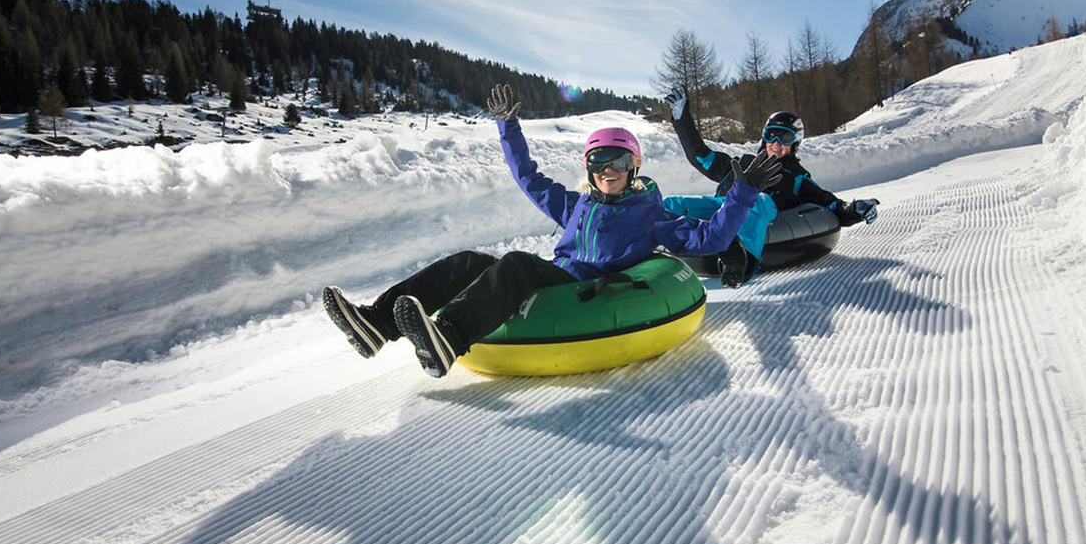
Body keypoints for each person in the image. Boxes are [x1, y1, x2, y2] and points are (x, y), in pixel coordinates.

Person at [322, 84, 782, 378]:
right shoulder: (576, 204)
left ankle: (449, 339)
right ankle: (376, 324)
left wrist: (741, 194)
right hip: (557, 274)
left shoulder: (649, 212)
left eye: (619, 163)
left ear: (633, 167)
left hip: (590, 287)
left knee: (518, 264)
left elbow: (710, 241)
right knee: (468, 261)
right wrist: (508, 127)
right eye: (599, 163)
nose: (608, 171)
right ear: (589, 166)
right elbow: (529, 178)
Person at [660, 90, 877, 288]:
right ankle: (646, 246)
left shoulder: (796, 177)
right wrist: (682, 119)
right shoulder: (741, 163)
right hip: (724, 207)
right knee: (670, 203)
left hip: (762, 207)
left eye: (784, 137)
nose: (775, 142)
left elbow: (828, 202)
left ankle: (740, 259)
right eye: (770, 135)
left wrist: (854, 209)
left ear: (795, 142)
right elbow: (700, 156)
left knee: (756, 198)